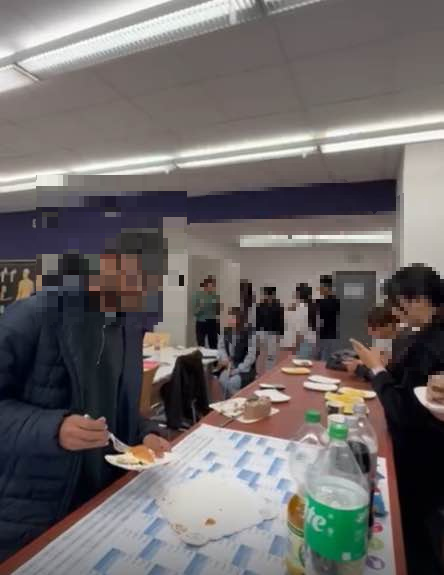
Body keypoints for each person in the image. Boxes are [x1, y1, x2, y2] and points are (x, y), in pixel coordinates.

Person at [0, 231, 171, 562]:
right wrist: (54, 429)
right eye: (136, 277)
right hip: (35, 513)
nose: (142, 292)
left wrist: (144, 433)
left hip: (103, 506)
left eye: (151, 282)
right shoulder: (33, 316)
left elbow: (114, 407)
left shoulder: (127, 327)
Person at [350, 263, 444, 575]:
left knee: (414, 534)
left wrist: (375, 368)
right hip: (427, 453)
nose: (397, 312)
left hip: (421, 456)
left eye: (399, 304)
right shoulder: (424, 335)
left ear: (417, 299)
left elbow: (403, 410)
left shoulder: (431, 343)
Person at [216, 306, 257, 398]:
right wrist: (225, 359)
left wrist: (237, 370)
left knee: (231, 383)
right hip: (230, 366)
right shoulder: (226, 331)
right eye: (229, 317)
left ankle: (238, 399)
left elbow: (251, 357)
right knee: (222, 379)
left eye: (232, 318)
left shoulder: (249, 334)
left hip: (245, 369)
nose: (229, 320)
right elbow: (221, 347)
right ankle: (234, 399)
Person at [281, 283, 317, 359]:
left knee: (298, 364)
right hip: (313, 342)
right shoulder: (311, 306)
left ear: (299, 294)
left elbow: (300, 331)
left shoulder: (302, 307)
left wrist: (295, 348)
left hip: (304, 343)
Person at [256, 286, 285, 371]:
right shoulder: (260, 306)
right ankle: (259, 372)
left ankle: (270, 371)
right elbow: (257, 321)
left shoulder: (278, 306)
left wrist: (280, 335)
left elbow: (281, 321)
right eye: (265, 294)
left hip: (274, 334)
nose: (266, 296)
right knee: (262, 354)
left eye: (268, 294)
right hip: (262, 333)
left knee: (271, 355)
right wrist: (257, 334)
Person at [316, 274, 340, 361]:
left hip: (327, 336)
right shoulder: (336, 301)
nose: (319, 289)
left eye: (321, 287)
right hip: (328, 335)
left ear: (327, 288)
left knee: (324, 360)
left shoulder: (323, 302)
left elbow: (320, 320)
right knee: (324, 358)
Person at [192, 276, 220, 349]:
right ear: (205, 286)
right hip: (201, 323)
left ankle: (214, 356)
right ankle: (201, 356)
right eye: (209, 286)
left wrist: (217, 307)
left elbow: (218, 312)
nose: (211, 288)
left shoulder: (216, 296)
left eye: (213, 286)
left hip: (212, 322)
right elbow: (195, 313)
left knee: (213, 345)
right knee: (201, 344)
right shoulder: (198, 296)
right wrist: (201, 306)